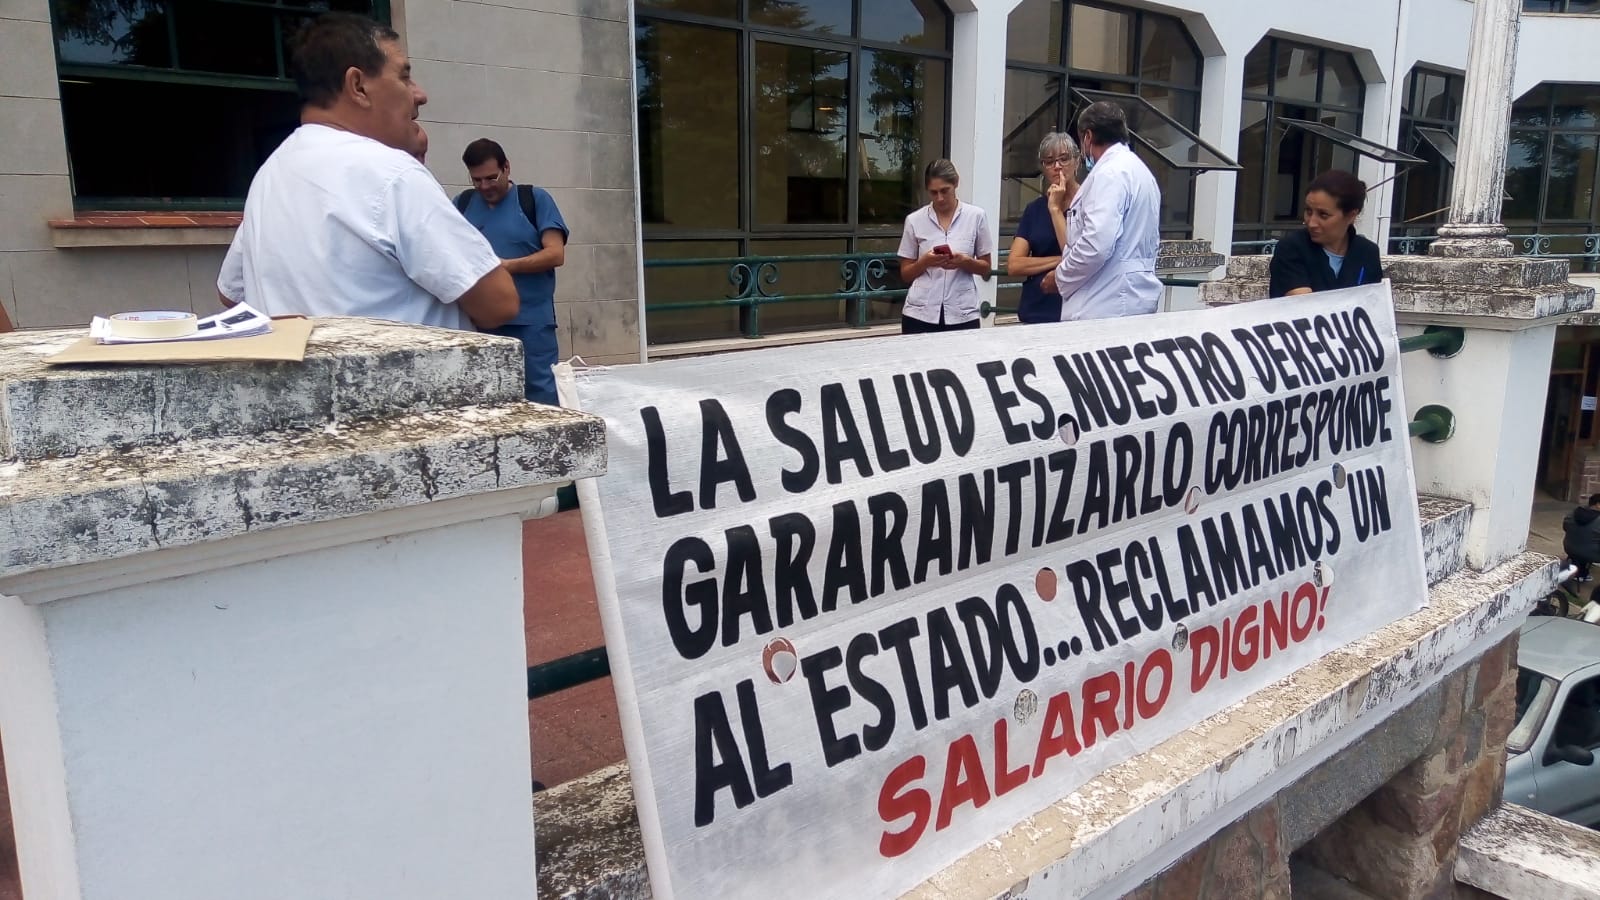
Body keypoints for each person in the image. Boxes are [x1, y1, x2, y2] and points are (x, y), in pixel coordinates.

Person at [217, 13, 516, 331]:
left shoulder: (270, 175)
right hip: (405, 379)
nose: (419, 94)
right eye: (404, 77)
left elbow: (230, 293)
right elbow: (499, 303)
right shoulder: (391, 174)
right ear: (358, 86)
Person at [454, 139, 569, 405]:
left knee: (540, 394)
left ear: (506, 168)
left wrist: (504, 266)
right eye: (477, 180)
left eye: (491, 178)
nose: (484, 186)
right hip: (479, 323)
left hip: (531, 322)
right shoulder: (462, 204)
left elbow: (555, 253)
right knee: (485, 395)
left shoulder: (534, 200)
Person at [1040, 101, 1162, 321]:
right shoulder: (1140, 171)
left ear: (1087, 137)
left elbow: (1096, 245)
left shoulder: (1109, 174)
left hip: (1103, 302)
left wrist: (1060, 277)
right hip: (1130, 296)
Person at [897, 159, 993, 334]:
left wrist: (964, 261)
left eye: (944, 191)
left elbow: (986, 268)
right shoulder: (914, 220)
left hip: (962, 312)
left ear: (955, 183)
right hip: (920, 313)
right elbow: (905, 273)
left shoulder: (976, 216)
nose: (939, 198)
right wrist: (925, 262)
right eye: (933, 193)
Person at [1268, 170, 1385, 298]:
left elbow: (1373, 304)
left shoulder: (1368, 252)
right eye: (1308, 211)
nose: (1311, 223)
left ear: (1351, 216)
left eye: (1323, 215)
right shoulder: (1291, 248)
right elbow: (1305, 306)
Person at [1007, 133, 1080, 324]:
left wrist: (1055, 209)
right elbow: (1014, 265)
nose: (1057, 167)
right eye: (1049, 162)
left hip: (1073, 312)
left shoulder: (1089, 203)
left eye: (1064, 159)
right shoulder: (1035, 209)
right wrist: (1061, 260)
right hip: (1035, 311)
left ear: (1077, 161)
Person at [1565, 493, 1600, 581]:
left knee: (1585, 540)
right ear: (1598, 505)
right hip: (1590, 553)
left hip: (1569, 548)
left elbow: (1565, 527)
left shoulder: (1574, 512)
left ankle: (1580, 571)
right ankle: (1582, 573)